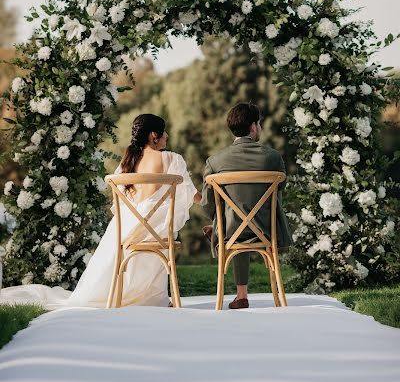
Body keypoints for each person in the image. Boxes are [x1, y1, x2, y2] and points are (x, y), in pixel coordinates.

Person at [1, 114, 201, 309]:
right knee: (165, 222)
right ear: (153, 135)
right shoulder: (171, 159)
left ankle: (134, 294)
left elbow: (125, 200)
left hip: (127, 227)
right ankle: (152, 297)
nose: (167, 135)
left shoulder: (127, 162)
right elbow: (190, 193)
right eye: (163, 131)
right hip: (155, 230)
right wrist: (211, 198)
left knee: (137, 226)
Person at [201, 102, 292, 309]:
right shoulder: (272, 158)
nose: (259, 127)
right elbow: (281, 190)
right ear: (253, 127)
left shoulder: (215, 162)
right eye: (259, 124)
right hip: (267, 231)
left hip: (231, 232)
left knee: (233, 220)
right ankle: (273, 295)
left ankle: (241, 295)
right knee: (246, 217)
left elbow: (207, 206)